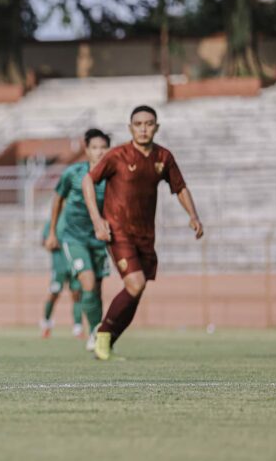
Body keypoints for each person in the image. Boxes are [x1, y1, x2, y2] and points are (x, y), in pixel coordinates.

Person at [82, 106, 203, 360]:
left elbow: (179, 188)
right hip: (118, 231)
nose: (144, 128)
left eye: (149, 123)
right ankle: (101, 334)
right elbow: (88, 180)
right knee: (134, 284)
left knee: (137, 290)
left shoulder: (163, 157)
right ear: (130, 128)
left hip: (145, 235)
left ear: (156, 127)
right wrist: (97, 219)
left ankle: (107, 341)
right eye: (138, 124)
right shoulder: (117, 155)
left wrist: (193, 215)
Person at [44, 129, 111, 350]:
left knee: (97, 289)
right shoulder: (73, 173)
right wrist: (53, 231)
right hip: (74, 238)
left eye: (103, 147)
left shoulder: (112, 177)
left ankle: (97, 333)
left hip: (100, 239)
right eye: (95, 147)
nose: (99, 152)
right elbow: (58, 200)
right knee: (88, 283)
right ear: (87, 149)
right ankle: (93, 332)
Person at [40, 220, 82, 339]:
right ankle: (46, 323)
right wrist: (50, 242)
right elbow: (44, 242)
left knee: (77, 294)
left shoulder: (73, 220)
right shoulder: (52, 223)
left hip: (74, 264)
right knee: (54, 294)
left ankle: (78, 328)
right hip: (59, 266)